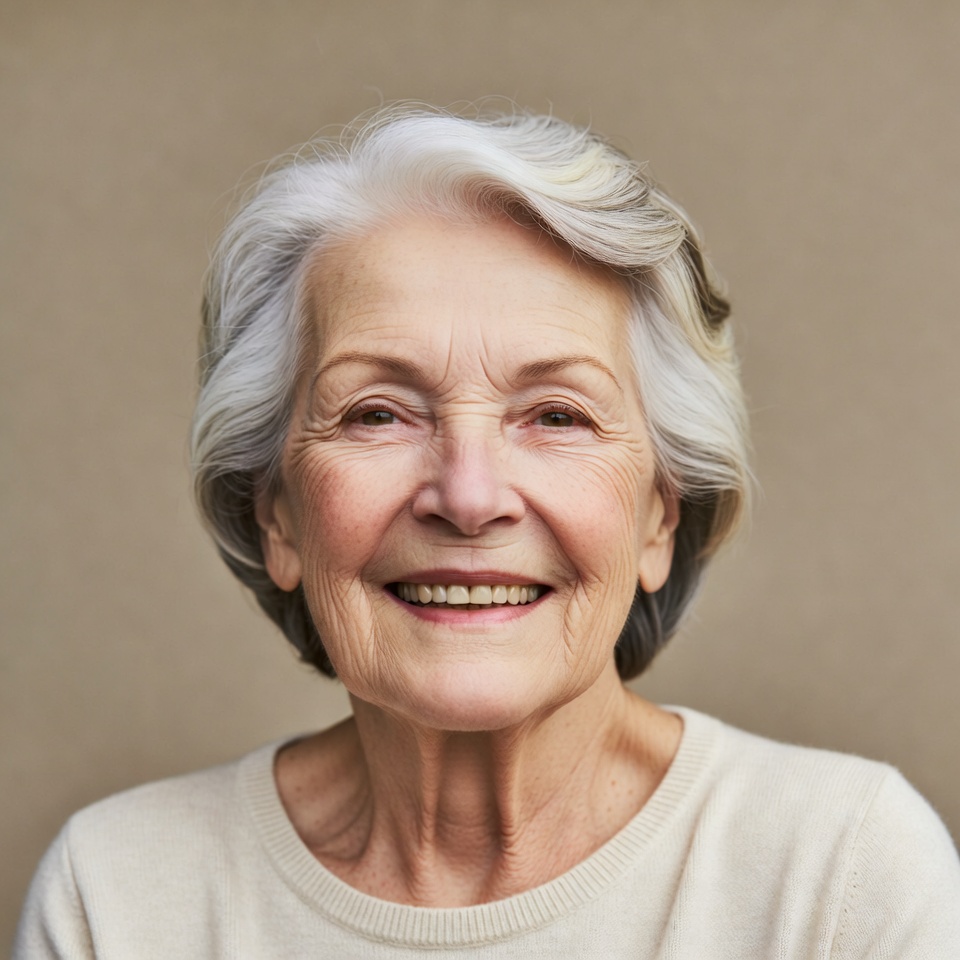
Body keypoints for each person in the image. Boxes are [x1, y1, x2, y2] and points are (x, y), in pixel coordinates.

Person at [14, 105, 960, 958]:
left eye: (557, 416)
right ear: (279, 516)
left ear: (658, 518)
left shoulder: (844, 877)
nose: (468, 498)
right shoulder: (122, 897)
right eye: (377, 414)